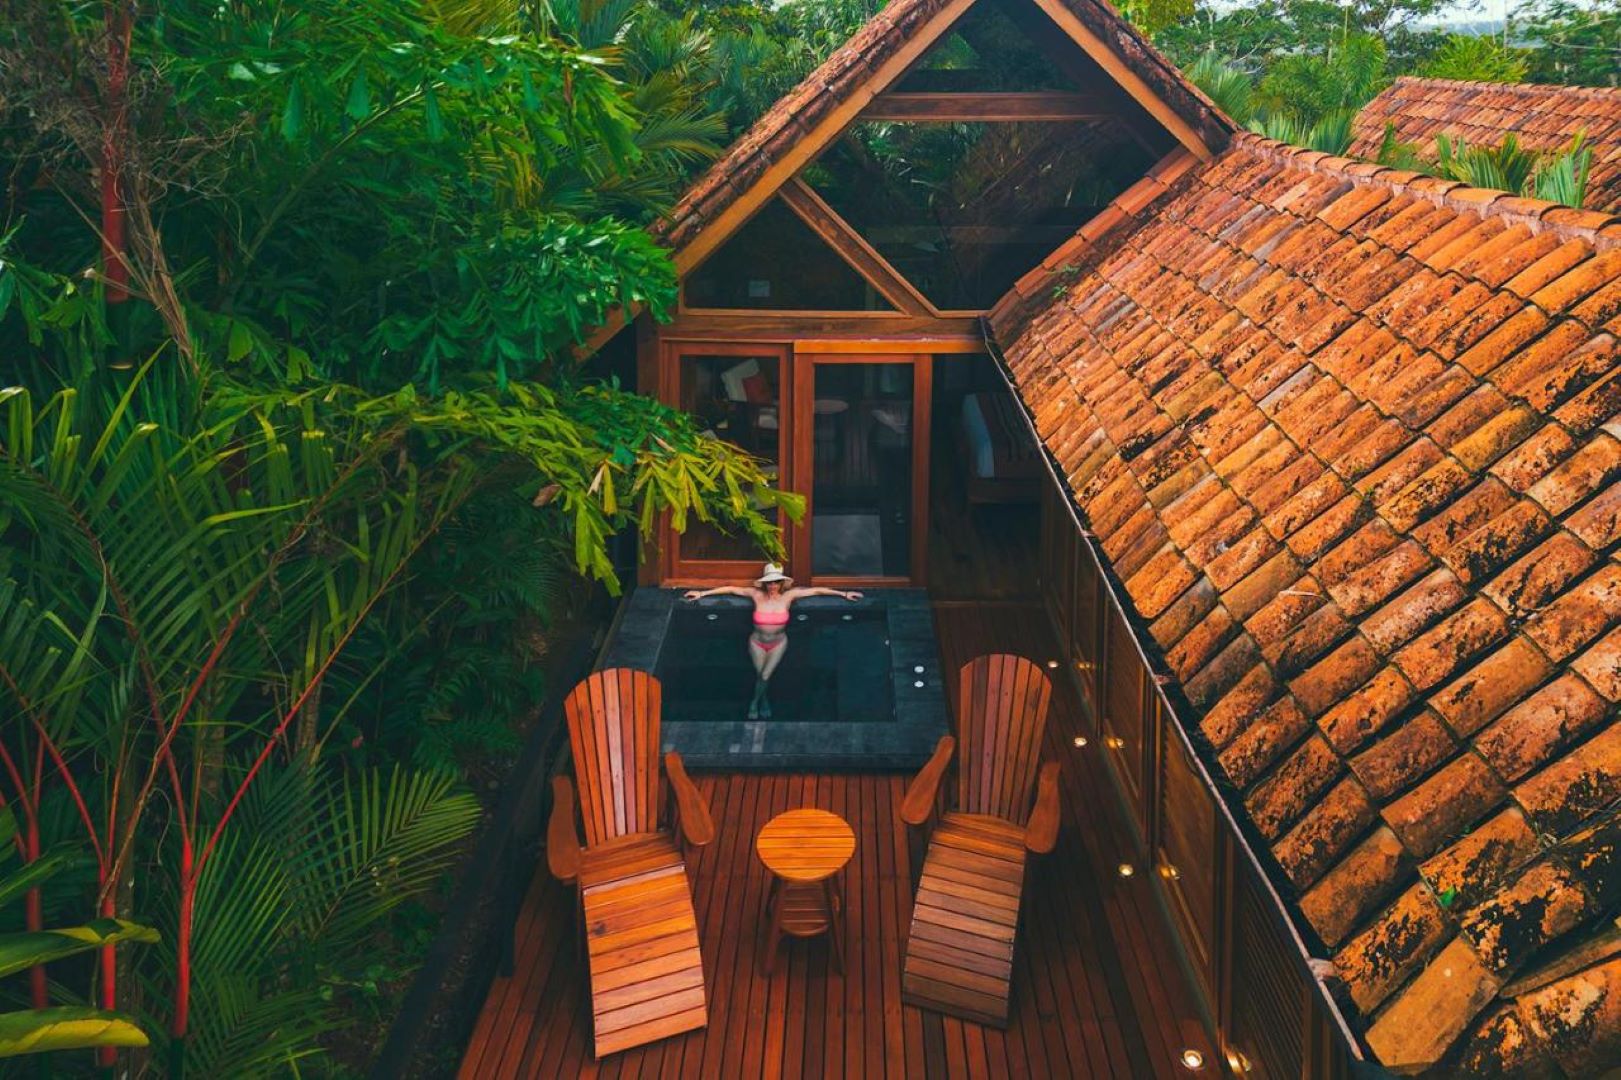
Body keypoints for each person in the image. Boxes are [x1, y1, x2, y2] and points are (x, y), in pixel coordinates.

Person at [683, 563, 862, 719]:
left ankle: (754, 703)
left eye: (776, 582)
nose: (773, 585)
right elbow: (730, 589)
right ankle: (765, 700)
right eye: (769, 582)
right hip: (756, 643)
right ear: (765, 583)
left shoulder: (788, 597)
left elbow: (816, 590)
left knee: (765, 675)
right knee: (761, 675)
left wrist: (844, 594)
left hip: (778, 643)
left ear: (782, 583)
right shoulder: (756, 595)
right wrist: (702, 594)